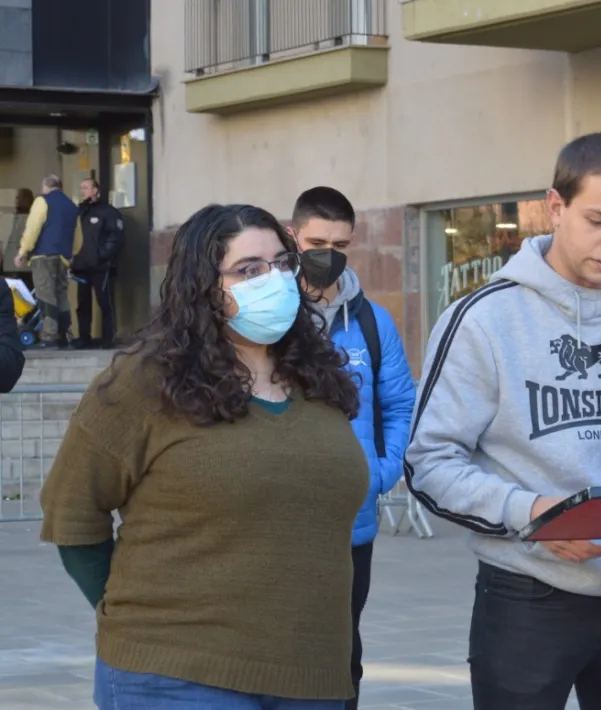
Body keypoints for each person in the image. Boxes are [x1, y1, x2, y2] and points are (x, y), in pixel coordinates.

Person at [404, 132, 601, 710]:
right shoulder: (483, 320)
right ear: (556, 207)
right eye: (598, 220)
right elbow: (429, 463)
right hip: (526, 597)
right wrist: (532, 514)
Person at [38, 203, 369, 709]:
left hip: (312, 676)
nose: (274, 280)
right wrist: (133, 618)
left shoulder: (317, 377)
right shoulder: (145, 382)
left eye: (283, 264)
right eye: (249, 269)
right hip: (175, 674)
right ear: (203, 286)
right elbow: (72, 511)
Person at [288, 186, 416, 710]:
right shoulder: (265, 315)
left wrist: (381, 474)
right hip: (277, 519)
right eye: (316, 240)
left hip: (351, 520)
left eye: (340, 243)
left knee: (344, 652)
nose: (327, 253)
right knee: (282, 651)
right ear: (292, 235)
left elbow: (401, 404)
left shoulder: (372, 323)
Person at [14, 174, 82, 348]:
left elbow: (33, 228)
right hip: (63, 258)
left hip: (44, 256)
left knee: (46, 296)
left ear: (46, 186)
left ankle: (50, 336)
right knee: (62, 297)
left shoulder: (42, 201)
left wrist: (23, 251)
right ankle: (66, 335)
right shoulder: (72, 206)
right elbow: (78, 238)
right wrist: (70, 255)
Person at [71, 177, 125, 349]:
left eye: (86, 187)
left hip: (100, 266)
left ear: (95, 190)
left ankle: (108, 338)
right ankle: (84, 338)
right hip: (81, 266)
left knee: (104, 302)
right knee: (83, 304)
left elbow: (115, 237)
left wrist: (102, 256)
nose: (83, 191)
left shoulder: (108, 212)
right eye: (81, 188)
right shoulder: (80, 212)